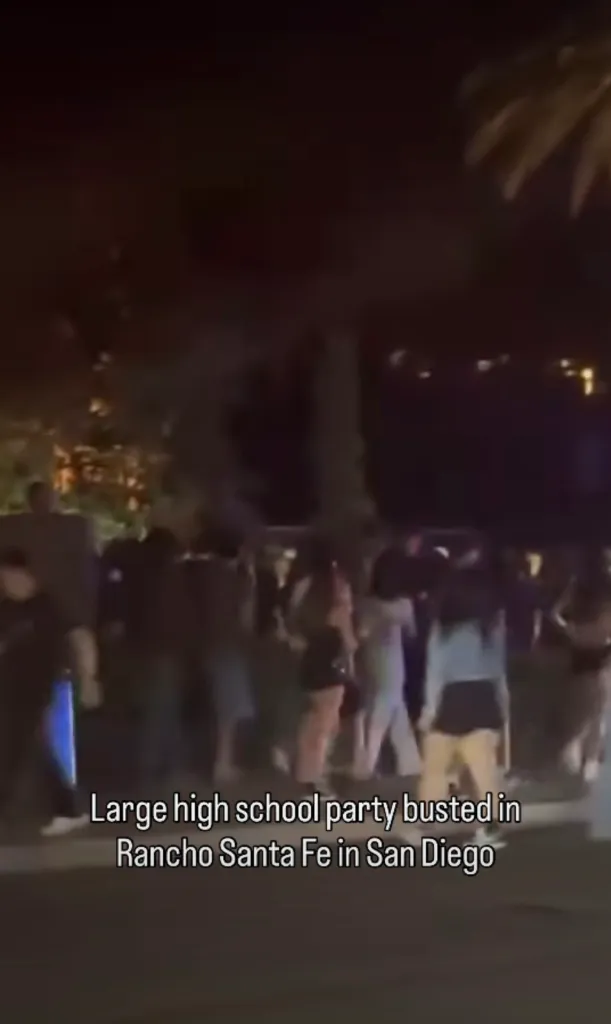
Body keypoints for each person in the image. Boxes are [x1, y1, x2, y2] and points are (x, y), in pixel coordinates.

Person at [404, 565, 509, 848]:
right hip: (484, 694)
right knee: (483, 768)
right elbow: (499, 670)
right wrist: (503, 703)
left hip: (452, 695)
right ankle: (489, 829)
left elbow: (436, 671)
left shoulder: (443, 627)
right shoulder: (491, 625)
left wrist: (429, 709)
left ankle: (425, 825)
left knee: (436, 765)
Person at [0, 547, 88, 836]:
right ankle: (63, 807)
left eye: (7, 577)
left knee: (33, 744)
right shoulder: (7, 607)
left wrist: (89, 678)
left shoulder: (47, 604)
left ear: (21, 574)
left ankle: (69, 808)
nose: (5, 584)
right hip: (12, 686)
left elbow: (78, 636)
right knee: (16, 746)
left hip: (41, 684)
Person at [287, 542, 358, 798]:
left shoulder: (303, 588)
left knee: (311, 720)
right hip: (331, 663)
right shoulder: (337, 593)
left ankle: (305, 772)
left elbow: (291, 624)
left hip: (309, 661)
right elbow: (349, 640)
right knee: (326, 726)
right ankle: (317, 779)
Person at [132, 527, 197, 791]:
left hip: (151, 650)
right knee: (163, 709)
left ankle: (165, 767)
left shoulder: (143, 577)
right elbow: (179, 616)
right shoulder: (171, 577)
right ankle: (157, 769)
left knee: (161, 708)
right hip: (168, 650)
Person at [198, 528, 256, 782]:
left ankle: (219, 762)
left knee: (218, 706)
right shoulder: (236, 580)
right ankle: (222, 764)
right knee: (228, 710)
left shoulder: (204, 576)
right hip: (228, 646)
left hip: (206, 645)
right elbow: (247, 616)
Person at [358, 563, 420, 779]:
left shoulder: (371, 603)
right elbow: (412, 634)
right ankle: (397, 763)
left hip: (382, 660)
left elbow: (362, 634)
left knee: (387, 708)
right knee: (389, 708)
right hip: (387, 660)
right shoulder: (402, 604)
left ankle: (375, 763)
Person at [552, 559, 611, 783]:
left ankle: (577, 760)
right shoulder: (602, 627)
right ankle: (588, 762)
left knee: (582, 716)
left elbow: (556, 615)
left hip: (580, 662)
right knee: (596, 716)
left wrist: (570, 627)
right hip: (601, 662)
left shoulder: (579, 627)